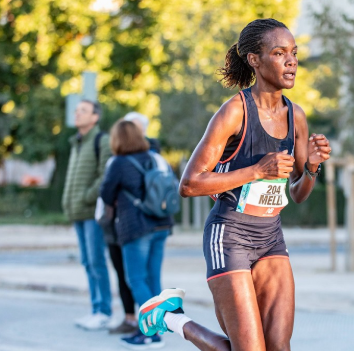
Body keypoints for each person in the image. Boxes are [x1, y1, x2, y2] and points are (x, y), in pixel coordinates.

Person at [137, 18, 332, 351]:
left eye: (294, 53)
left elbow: (298, 193)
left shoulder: (295, 116)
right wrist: (256, 170)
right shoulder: (234, 112)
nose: (291, 61)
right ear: (255, 60)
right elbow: (189, 183)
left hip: (271, 236)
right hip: (229, 235)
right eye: (279, 53)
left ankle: (169, 316)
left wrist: (312, 167)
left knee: (279, 347)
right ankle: (170, 318)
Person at [100, 119, 173, 348]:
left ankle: (150, 334)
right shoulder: (155, 157)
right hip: (161, 224)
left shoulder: (119, 163)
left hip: (136, 227)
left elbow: (105, 193)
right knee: (153, 278)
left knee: (136, 279)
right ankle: (155, 333)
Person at [62, 99, 112, 330]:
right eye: (76, 110)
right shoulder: (77, 142)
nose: (77, 114)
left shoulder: (101, 141)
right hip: (77, 212)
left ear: (95, 117)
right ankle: (95, 309)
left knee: (96, 261)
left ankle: (104, 311)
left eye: (83, 111)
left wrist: (85, 197)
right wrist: (69, 202)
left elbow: (105, 175)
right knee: (86, 262)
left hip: (92, 212)